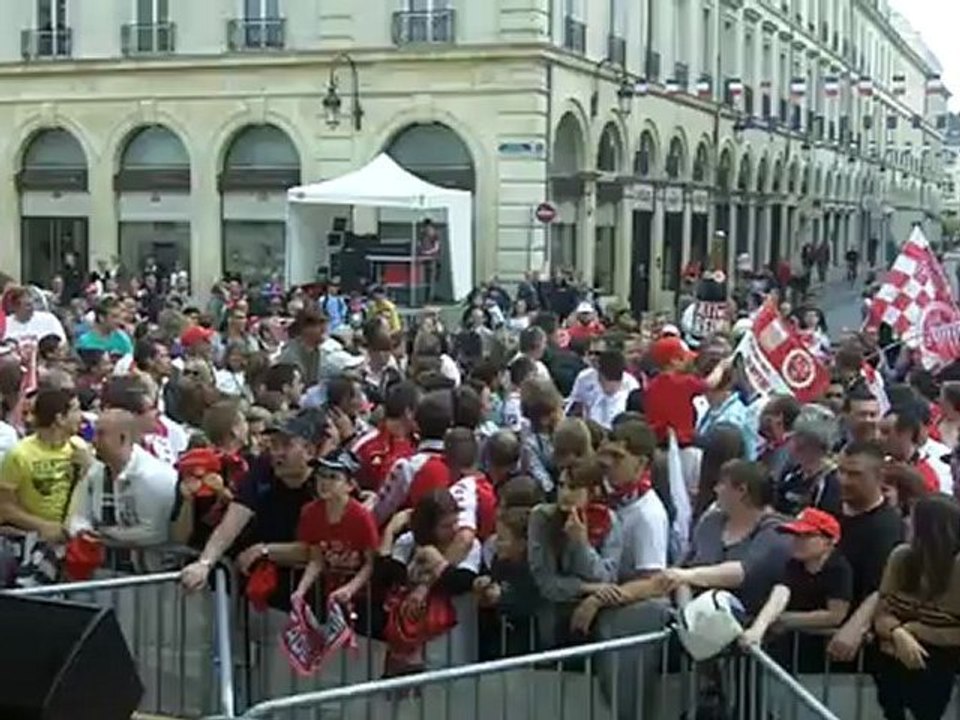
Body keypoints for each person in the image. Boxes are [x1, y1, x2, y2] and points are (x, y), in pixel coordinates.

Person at [664, 460, 792, 617]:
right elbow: (683, 569)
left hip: (746, 622)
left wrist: (689, 576)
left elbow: (744, 572)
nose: (716, 489)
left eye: (722, 484)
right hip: (697, 618)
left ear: (741, 490)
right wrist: (687, 612)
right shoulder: (710, 521)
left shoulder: (776, 530)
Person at [873, 495, 960, 720]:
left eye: (912, 518)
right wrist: (898, 633)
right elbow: (882, 613)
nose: (906, 522)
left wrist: (913, 630)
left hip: (940, 663)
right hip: (891, 661)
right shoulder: (901, 557)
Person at [740, 508, 852, 672]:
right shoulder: (794, 564)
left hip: (826, 660)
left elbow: (836, 615)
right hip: (791, 652)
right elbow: (780, 594)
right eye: (795, 535)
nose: (797, 541)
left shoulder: (839, 568)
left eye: (806, 536)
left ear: (829, 541)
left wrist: (786, 620)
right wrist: (758, 628)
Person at [827, 440, 904, 663]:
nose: (843, 480)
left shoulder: (887, 527)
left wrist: (856, 626)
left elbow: (883, 587)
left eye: (854, 474)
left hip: (854, 652)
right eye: (840, 471)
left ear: (879, 477)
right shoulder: (829, 510)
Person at [66, 408, 177, 552]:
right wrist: (83, 531)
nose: (93, 441)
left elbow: (155, 534)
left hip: (149, 567)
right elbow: (77, 516)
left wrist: (106, 534)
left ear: (122, 438)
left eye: (101, 434)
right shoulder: (95, 472)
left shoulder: (153, 477)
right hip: (104, 564)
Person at [292, 450, 379, 612]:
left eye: (333, 477)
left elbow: (369, 564)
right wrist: (301, 590)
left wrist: (350, 589)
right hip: (328, 592)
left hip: (361, 597)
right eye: (321, 475)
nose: (324, 482)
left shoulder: (361, 517)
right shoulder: (310, 512)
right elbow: (316, 558)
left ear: (350, 485)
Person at [0, 387, 88, 542]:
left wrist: (89, 467)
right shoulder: (19, 454)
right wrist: (42, 526)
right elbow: (5, 508)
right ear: (60, 418)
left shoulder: (80, 449)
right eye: (76, 410)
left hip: (75, 540)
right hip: (33, 541)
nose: (81, 417)